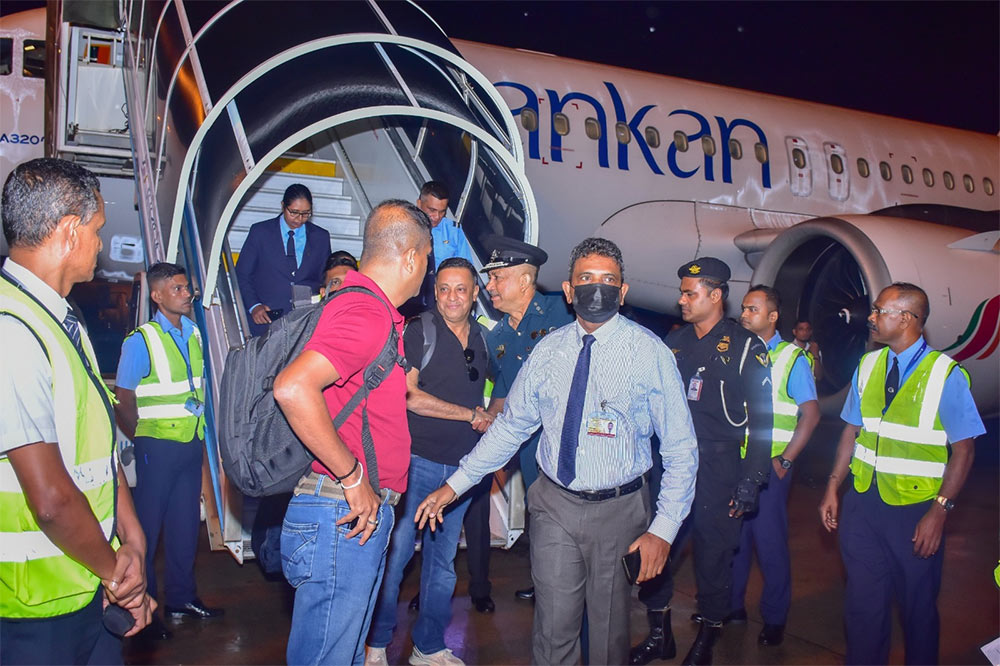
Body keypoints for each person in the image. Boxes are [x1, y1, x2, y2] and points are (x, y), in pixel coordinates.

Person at [416, 237, 699, 666]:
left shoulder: (649, 354)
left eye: (608, 280)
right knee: (552, 630)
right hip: (554, 505)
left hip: (619, 510)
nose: (596, 288)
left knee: (607, 636)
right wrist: (454, 485)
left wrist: (663, 528)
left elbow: (680, 449)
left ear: (623, 292)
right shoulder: (548, 352)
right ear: (568, 291)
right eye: (586, 279)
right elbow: (510, 429)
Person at [0, 158, 154, 663]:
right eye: (96, 230)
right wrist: (118, 572)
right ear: (69, 232)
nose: (100, 244)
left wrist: (132, 538)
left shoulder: (62, 319)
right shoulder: (12, 332)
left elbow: (99, 451)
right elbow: (50, 500)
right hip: (35, 610)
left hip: (88, 585)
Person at [272, 199, 432, 665]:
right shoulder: (367, 312)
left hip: (345, 515)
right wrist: (354, 479)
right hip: (341, 512)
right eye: (426, 258)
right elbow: (293, 388)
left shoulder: (366, 307)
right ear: (409, 257)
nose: (425, 269)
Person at [819, 282, 982, 665]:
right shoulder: (868, 364)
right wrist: (832, 486)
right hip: (862, 506)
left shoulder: (946, 374)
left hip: (915, 511)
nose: (870, 318)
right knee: (862, 608)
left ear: (907, 319)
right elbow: (851, 430)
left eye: (879, 311)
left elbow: (965, 450)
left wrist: (939, 512)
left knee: (917, 610)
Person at [631, 257, 772, 666]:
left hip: (719, 468)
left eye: (690, 294)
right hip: (672, 467)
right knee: (656, 552)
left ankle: (708, 640)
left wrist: (752, 480)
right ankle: (660, 635)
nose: (682, 301)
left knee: (714, 557)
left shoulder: (747, 348)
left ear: (716, 296)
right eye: (681, 293)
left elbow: (764, 421)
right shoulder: (674, 344)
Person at [366, 257, 493, 666]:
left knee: (442, 567)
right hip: (415, 464)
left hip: (461, 471)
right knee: (395, 557)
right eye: (444, 289)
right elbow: (409, 395)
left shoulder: (485, 338)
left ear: (475, 294)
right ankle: (376, 644)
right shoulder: (419, 330)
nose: (452, 298)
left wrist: (492, 417)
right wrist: (471, 414)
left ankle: (429, 645)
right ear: (434, 292)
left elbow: (495, 392)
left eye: (461, 289)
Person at [114, 262, 224, 640]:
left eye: (187, 288)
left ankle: (181, 598)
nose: (187, 293)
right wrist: (143, 435)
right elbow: (123, 399)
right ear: (158, 295)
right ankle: (143, 607)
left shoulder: (193, 333)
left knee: (182, 527)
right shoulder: (140, 340)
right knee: (145, 530)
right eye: (178, 289)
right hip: (156, 447)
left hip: (190, 443)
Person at [480, 235, 573, 600]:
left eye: (496, 278)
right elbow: (501, 396)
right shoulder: (498, 336)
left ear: (523, 280)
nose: (489, 287)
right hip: (530, 448)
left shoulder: (562, 311)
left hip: (571, 440)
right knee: (541, 515)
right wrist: (480, 424)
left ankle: (571, 587)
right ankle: (547, 583)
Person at [730, 285, 820, 647]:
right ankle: (731, 607)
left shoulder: (792, 359)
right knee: (735, 541)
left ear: (772, 317)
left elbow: (810, 415)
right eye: (744, 308)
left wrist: (785, 460)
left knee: (769, 544)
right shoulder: (739, 352)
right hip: (738, 462)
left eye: (753, 309)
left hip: (771, 468)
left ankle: (775, 618)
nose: (744, 314)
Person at [235, 183, 332, 336]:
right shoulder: (260, 232)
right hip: (267, 321)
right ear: (282, 206)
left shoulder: (321, 237)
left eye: (306, 214)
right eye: (294, 212)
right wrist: (254, 306)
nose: (299, 219)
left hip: (305, 324)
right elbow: (241, 274)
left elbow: (325, 277)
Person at [404, 181, 475, 316]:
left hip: (442, 301)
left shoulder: (454, 231)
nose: (437, 217)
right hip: (409, 298)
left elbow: (466, 270)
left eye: (442, 212)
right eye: (432, 210)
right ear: (419, 204)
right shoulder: (404, 229)